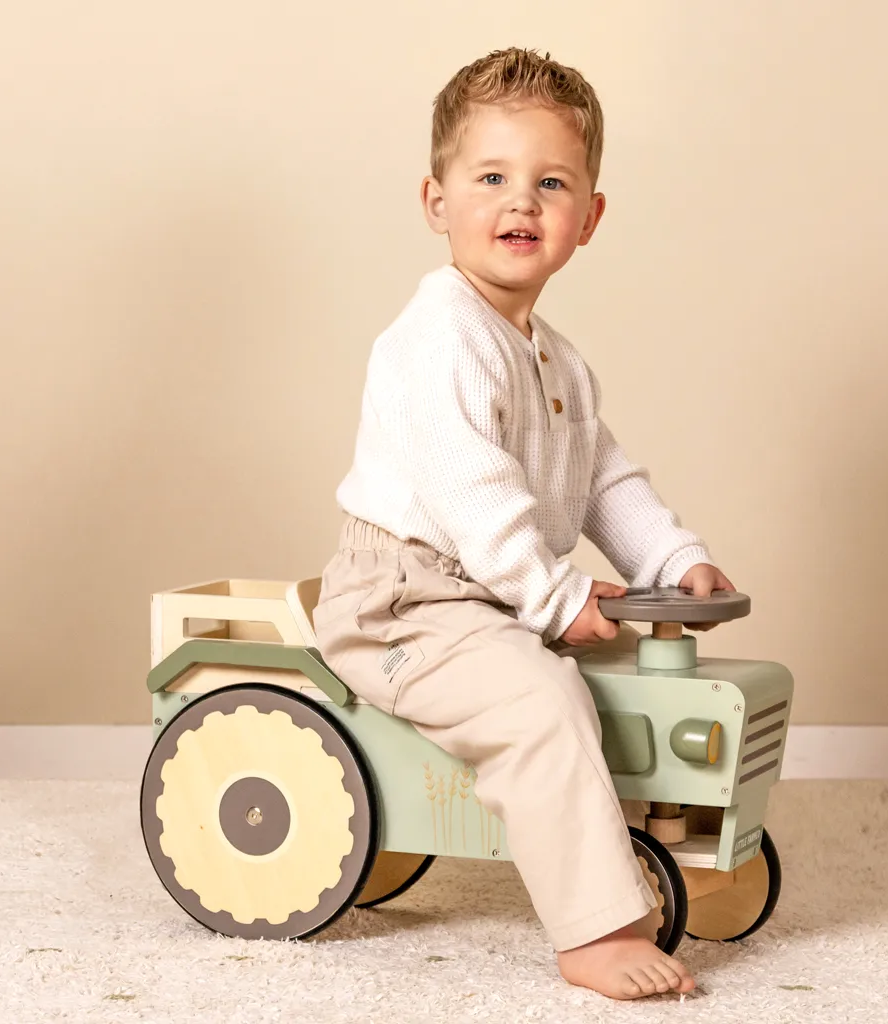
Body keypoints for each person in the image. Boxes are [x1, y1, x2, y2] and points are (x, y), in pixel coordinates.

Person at [312, 46, 734, 1001]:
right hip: (405, 602)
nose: (521, 204)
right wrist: (554, 597)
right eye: (492, 178)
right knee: (542, 702)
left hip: (491, 592)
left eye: (551, 183)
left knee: (634, 683)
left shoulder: (557, 361)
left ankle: (681, 849)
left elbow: (603, 479)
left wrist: (674, 557)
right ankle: (596, 931)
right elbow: (475, 494)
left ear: (589, 218)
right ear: (437, 201)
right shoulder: (436, 339)